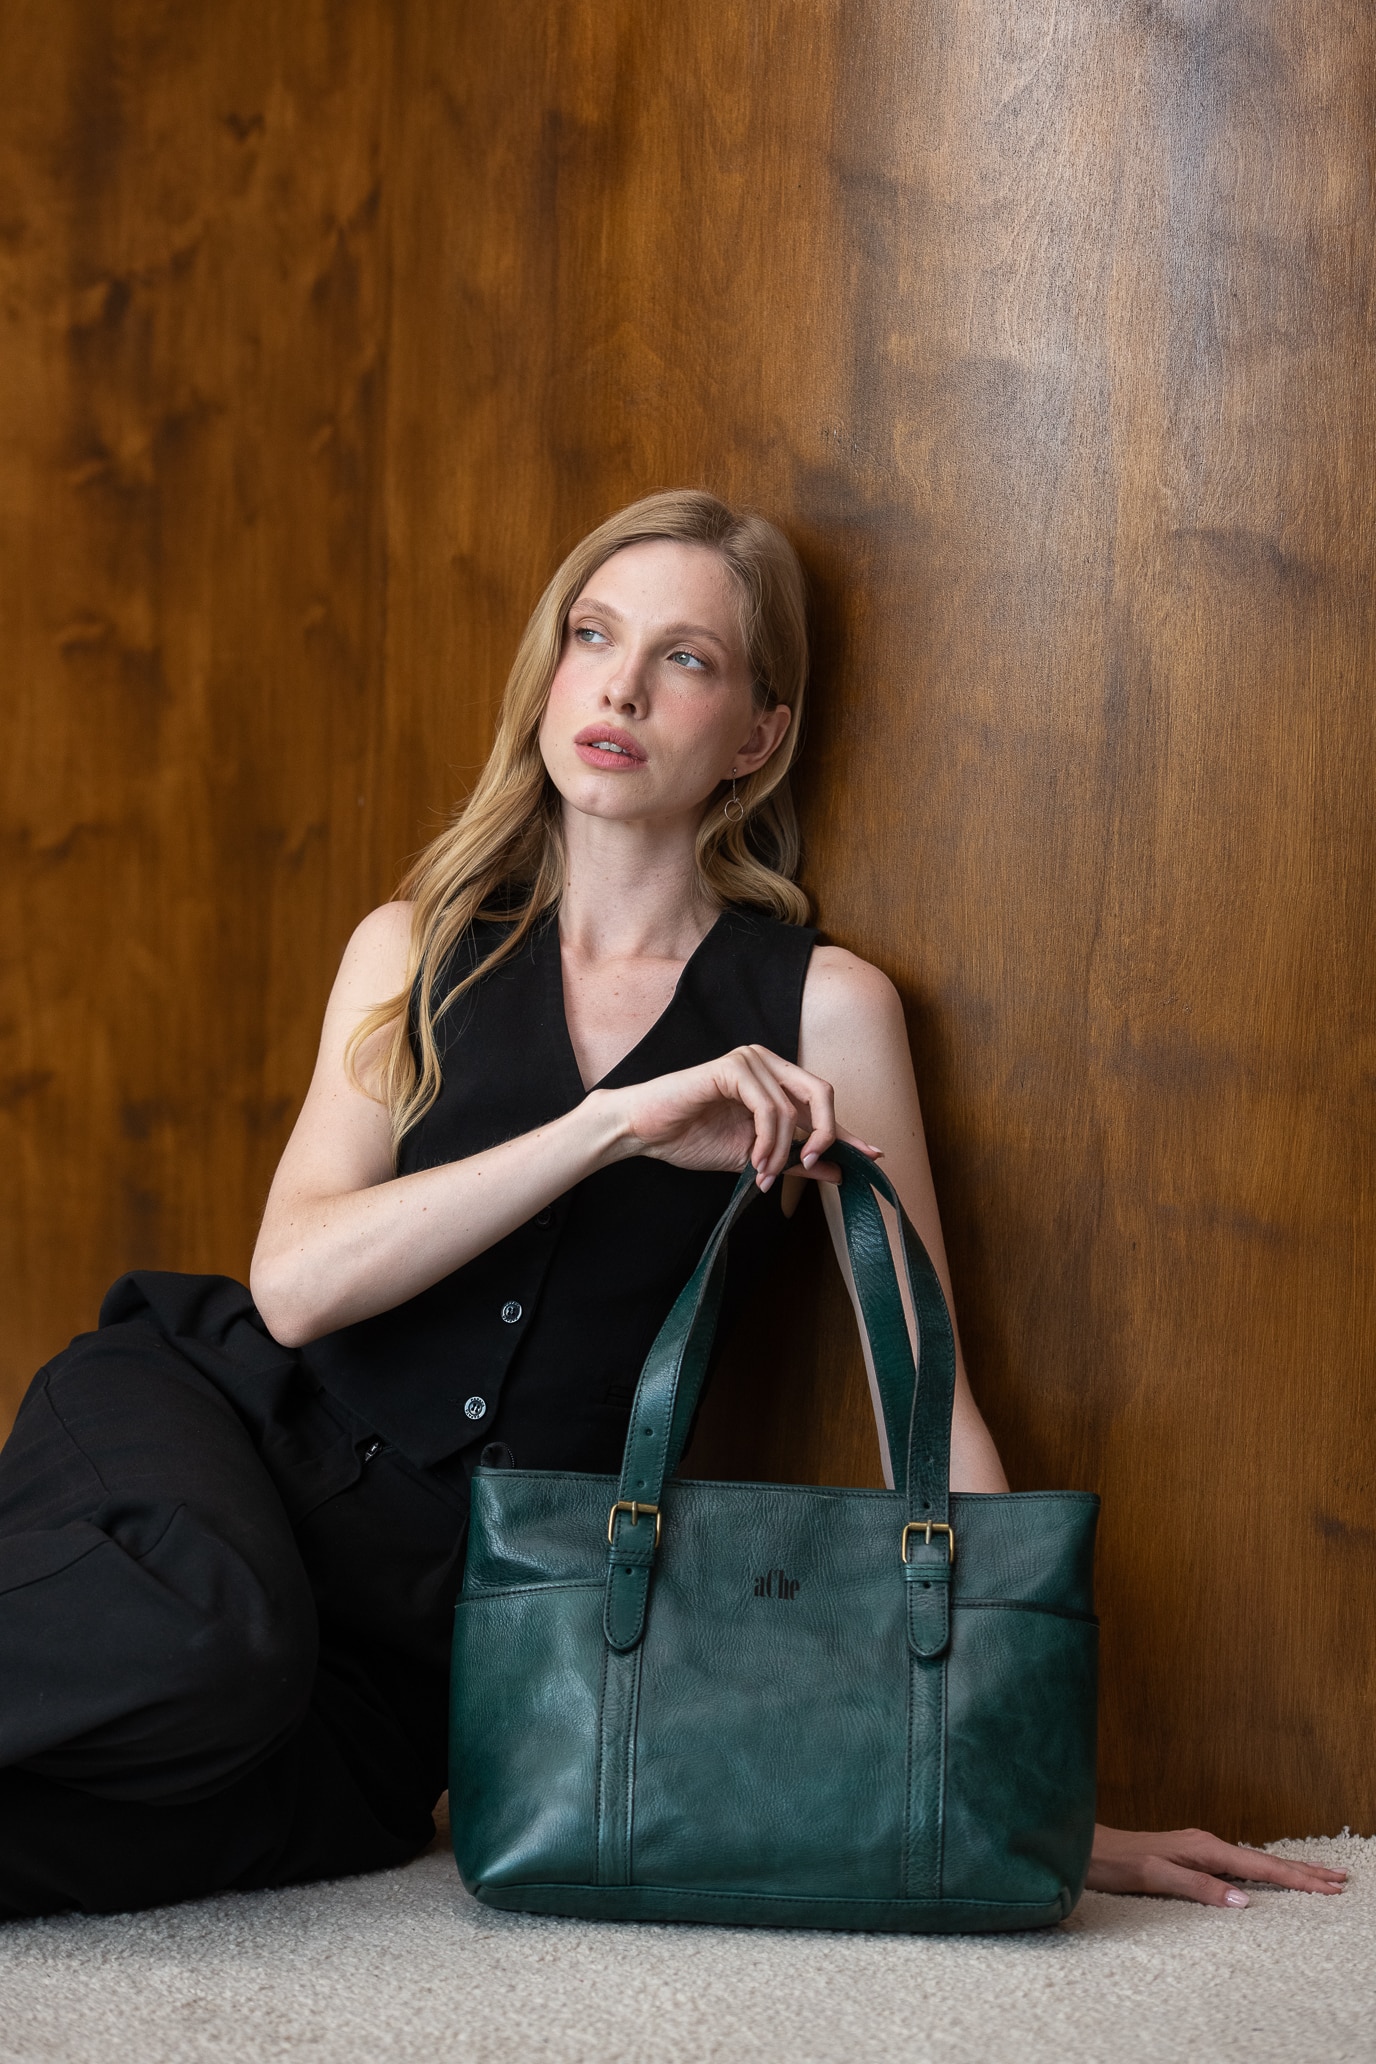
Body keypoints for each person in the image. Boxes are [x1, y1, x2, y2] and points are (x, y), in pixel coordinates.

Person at [0, 492, 1344, 1920]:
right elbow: (294, 1286)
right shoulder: (415, 946)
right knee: (214, 1642)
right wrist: (610, 1129)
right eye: (593, 637)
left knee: (157, 1816)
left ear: (757, 736)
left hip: (421, 1654)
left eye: (686, 659)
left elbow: (924, 1391)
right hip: (213, 1440)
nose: (622, 687)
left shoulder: (826, 1009)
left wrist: (1021, 1782)